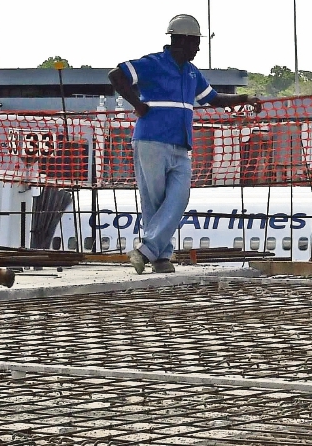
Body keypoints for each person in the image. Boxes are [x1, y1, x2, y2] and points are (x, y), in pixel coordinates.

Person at [108, 15, 259, 274]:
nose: (198, 48)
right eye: (196, 43)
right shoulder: (153, 63)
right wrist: (138, 104)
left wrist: (244, 97)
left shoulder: (191, 73)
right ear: (183, 40)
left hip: (180, 145)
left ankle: (144, 251)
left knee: (179, 197)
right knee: (154, 201)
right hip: (151, 140)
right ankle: (161, 258)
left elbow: (212, 99)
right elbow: (116, 75)